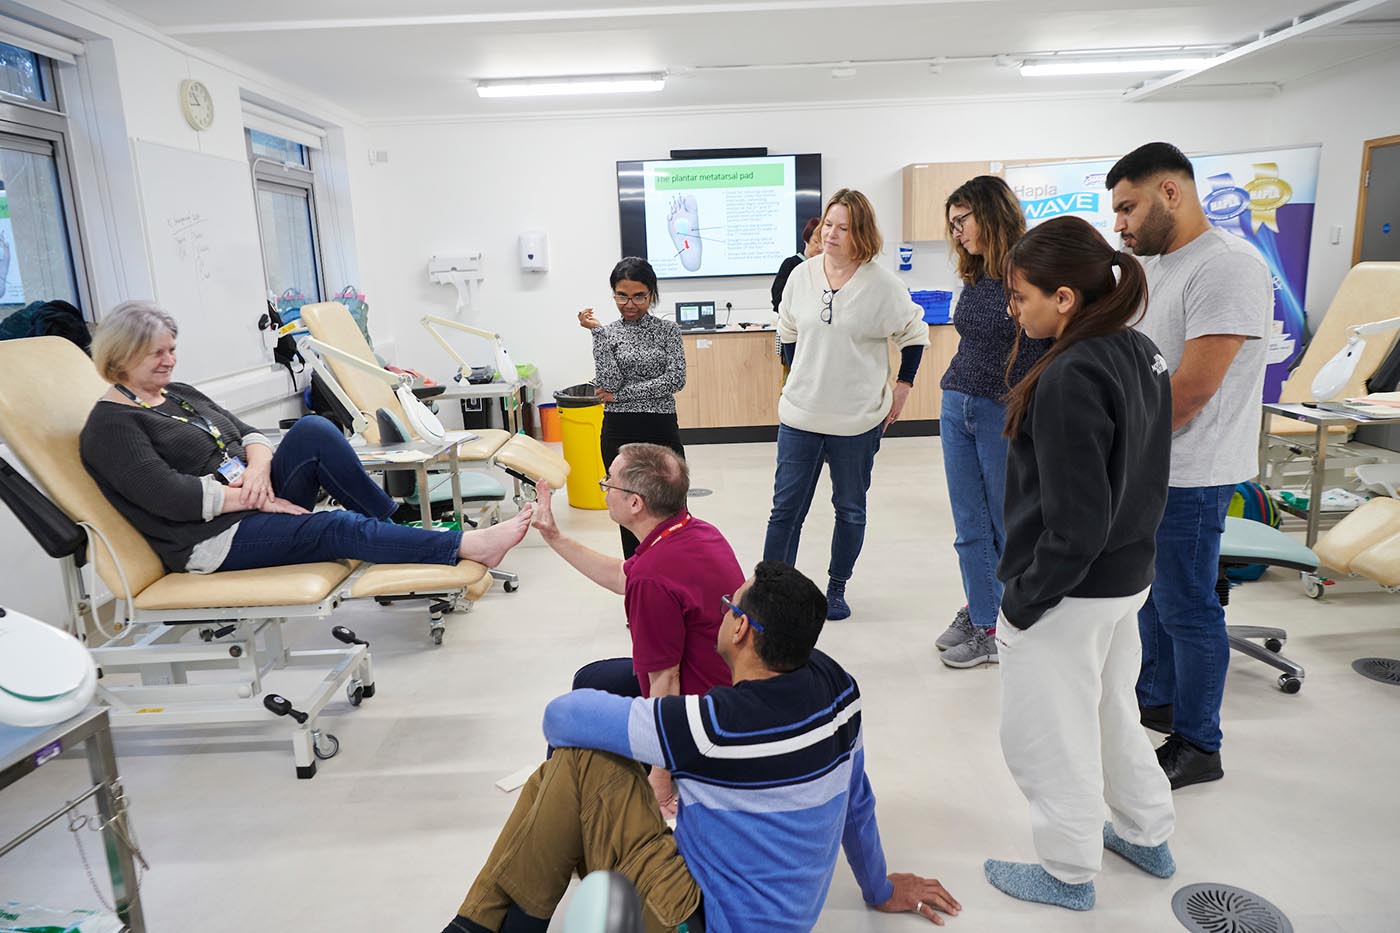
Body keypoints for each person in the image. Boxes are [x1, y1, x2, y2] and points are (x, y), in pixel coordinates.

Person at [440, 561, 962, 933]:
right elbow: (857, 798)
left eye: (728, 605)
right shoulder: (839, 688)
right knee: (567, 774)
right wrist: (879, 888)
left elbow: (560, 716)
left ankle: (483, 921)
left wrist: (648, 731)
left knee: (576, 763)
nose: (723, 610)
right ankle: (486, 924)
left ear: (742, 630)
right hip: (782, 918)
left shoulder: (714, 727)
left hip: (698, 916)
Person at [986, 215, 1177, 911]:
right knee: (1110, 709)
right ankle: (1147, 831)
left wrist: (1023, 600)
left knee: (1048, 734)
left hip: (1070, 590)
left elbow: (1074, 523)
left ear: (1064, 297)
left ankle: (1067, 871)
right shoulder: (1139, 350)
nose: (1014, 309)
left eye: (1021, 296)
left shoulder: (1068, 373)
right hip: (1127, 581)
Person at [80, 301, 532, 575]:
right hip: (209, 538)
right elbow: (172, 497)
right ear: (119, 356)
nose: (168, 361)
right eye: (155, 353)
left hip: (253, 497)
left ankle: (394, 524)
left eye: (172, 349)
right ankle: (469, 547)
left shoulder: (176, 394)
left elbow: (248, 433)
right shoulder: (112, 427)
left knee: (313, 429)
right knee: (336, 526)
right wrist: (255, 499)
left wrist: (258, 471)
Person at [1107, 142, 1272, 789]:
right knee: (1150, 599)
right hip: (1155, 466)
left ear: (1170, 192)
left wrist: (1121, 448)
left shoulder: (1226, 266)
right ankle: (1161, 699)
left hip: (1194, 472)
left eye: (1127, 206)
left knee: (1187, 607)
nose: (1119, 222)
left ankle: (1199, 743)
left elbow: (1193, 387)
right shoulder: (1160, 266)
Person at [529, 442, 742, 816]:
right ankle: (561, 788)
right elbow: (619, 575)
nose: (604, 487)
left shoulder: (653, 576)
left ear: (635, 503)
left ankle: (557, 809)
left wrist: (660, 780)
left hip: (699, 719)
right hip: (725, 692)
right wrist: (554, 537)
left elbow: (666, 679)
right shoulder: (695, 532)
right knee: (591, 678)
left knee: (573, 714)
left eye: (609, 482)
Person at [764, 188, 929, 621]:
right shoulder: (802, 275)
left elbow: (914, 334)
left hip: (857, 421)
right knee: (785, 510)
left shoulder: (882, 285)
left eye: (843, 227)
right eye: (828, 224)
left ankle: (835, 589)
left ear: (863, 234)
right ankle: (771, 591)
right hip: (800, 415)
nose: (831, 234)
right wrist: (797, 374)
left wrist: (903, 387)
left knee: (850, 508)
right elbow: (787, 329)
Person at [934, 176, 1052, 669]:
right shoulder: (979, 273)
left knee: (1007, 525)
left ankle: (998, 623)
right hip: (957, 403)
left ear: (991, 213)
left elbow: (1048, 343)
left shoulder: (1031, 270)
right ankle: (982, 609)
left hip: (1002, 409)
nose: (957, 232)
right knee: (968, 523)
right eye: (953, 224)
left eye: (963, 221)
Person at [579, 257, 687, 559]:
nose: (630, 303)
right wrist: (597, 333)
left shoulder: (668, 330)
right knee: (629, 513)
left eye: (639, 295)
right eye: (622, 295)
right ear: (613, 294)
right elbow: (609, 384)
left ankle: (676, 574)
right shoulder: (608, 333)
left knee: (672, 510)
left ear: (651, 294)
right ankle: (638, 578)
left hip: (661, 429)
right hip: (619, 431)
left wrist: (622, 396)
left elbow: (675, 380)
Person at [771, 216, 823, 314]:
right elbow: (778, 298)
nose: (820, 247)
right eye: (816, 242)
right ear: (806, 240)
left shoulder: (827, 266)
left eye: (823, 242)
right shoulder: (790, 264)